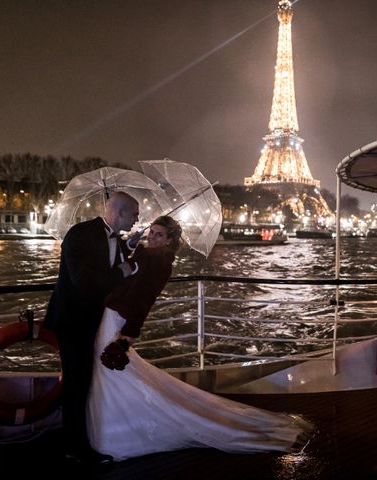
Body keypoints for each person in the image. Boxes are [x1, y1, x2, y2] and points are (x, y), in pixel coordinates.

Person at [87, 216, 314, 462]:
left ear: (171, 240)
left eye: (159, 234)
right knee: (112, 374)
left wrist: (127, 337)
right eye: (151, 232)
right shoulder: (154, 257)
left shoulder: (155, 260)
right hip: (114, 317)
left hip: (117, 320)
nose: (152, 237)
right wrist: (131, 247)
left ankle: (114, 428)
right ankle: (115, 425)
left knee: (110, 373)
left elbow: (142, 300)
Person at [44, 191, 140, 466]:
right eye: (134, 214)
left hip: (95, 321)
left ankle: (80, 441)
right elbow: (84, 281)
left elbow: (111, 266)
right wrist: (121, 271)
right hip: (73, 321)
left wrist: (128, 248)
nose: (137, 219)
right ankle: (75, 448)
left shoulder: (117, 240)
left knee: (84, 381)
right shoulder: (79, 234)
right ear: (119, 212)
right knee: (77, 383)